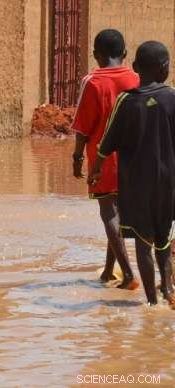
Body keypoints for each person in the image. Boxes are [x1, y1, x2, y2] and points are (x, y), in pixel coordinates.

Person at [89, 41, 175, 307]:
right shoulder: (172, 97)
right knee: (164, 238)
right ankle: (168, 291)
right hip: (167, 184)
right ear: (164, 69)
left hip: (136, 186)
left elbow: (106, 143)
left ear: (136, 67)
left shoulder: (126, 101)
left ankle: (151, 302)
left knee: (143, 241)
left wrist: (96, 169)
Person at [71, 29, 139, 289]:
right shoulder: (136, 78)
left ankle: (129, 274)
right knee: (119, 213)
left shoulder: (92, 81)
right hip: (134, 159)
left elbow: (83, 127)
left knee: (109, 213)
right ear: (124, 53)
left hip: (103, 159)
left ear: (96, 55)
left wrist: (77, 158)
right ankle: (110, 270)